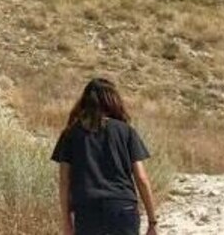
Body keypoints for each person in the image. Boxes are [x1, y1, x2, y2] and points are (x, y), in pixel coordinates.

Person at [51, 78, 158, 235]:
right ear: (113, 101)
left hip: (87, 209)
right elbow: (141, 178)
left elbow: (64, 182)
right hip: (122, 207)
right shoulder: (126, 131)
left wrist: (67, 222)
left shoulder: (70, 134)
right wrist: (152, 221)